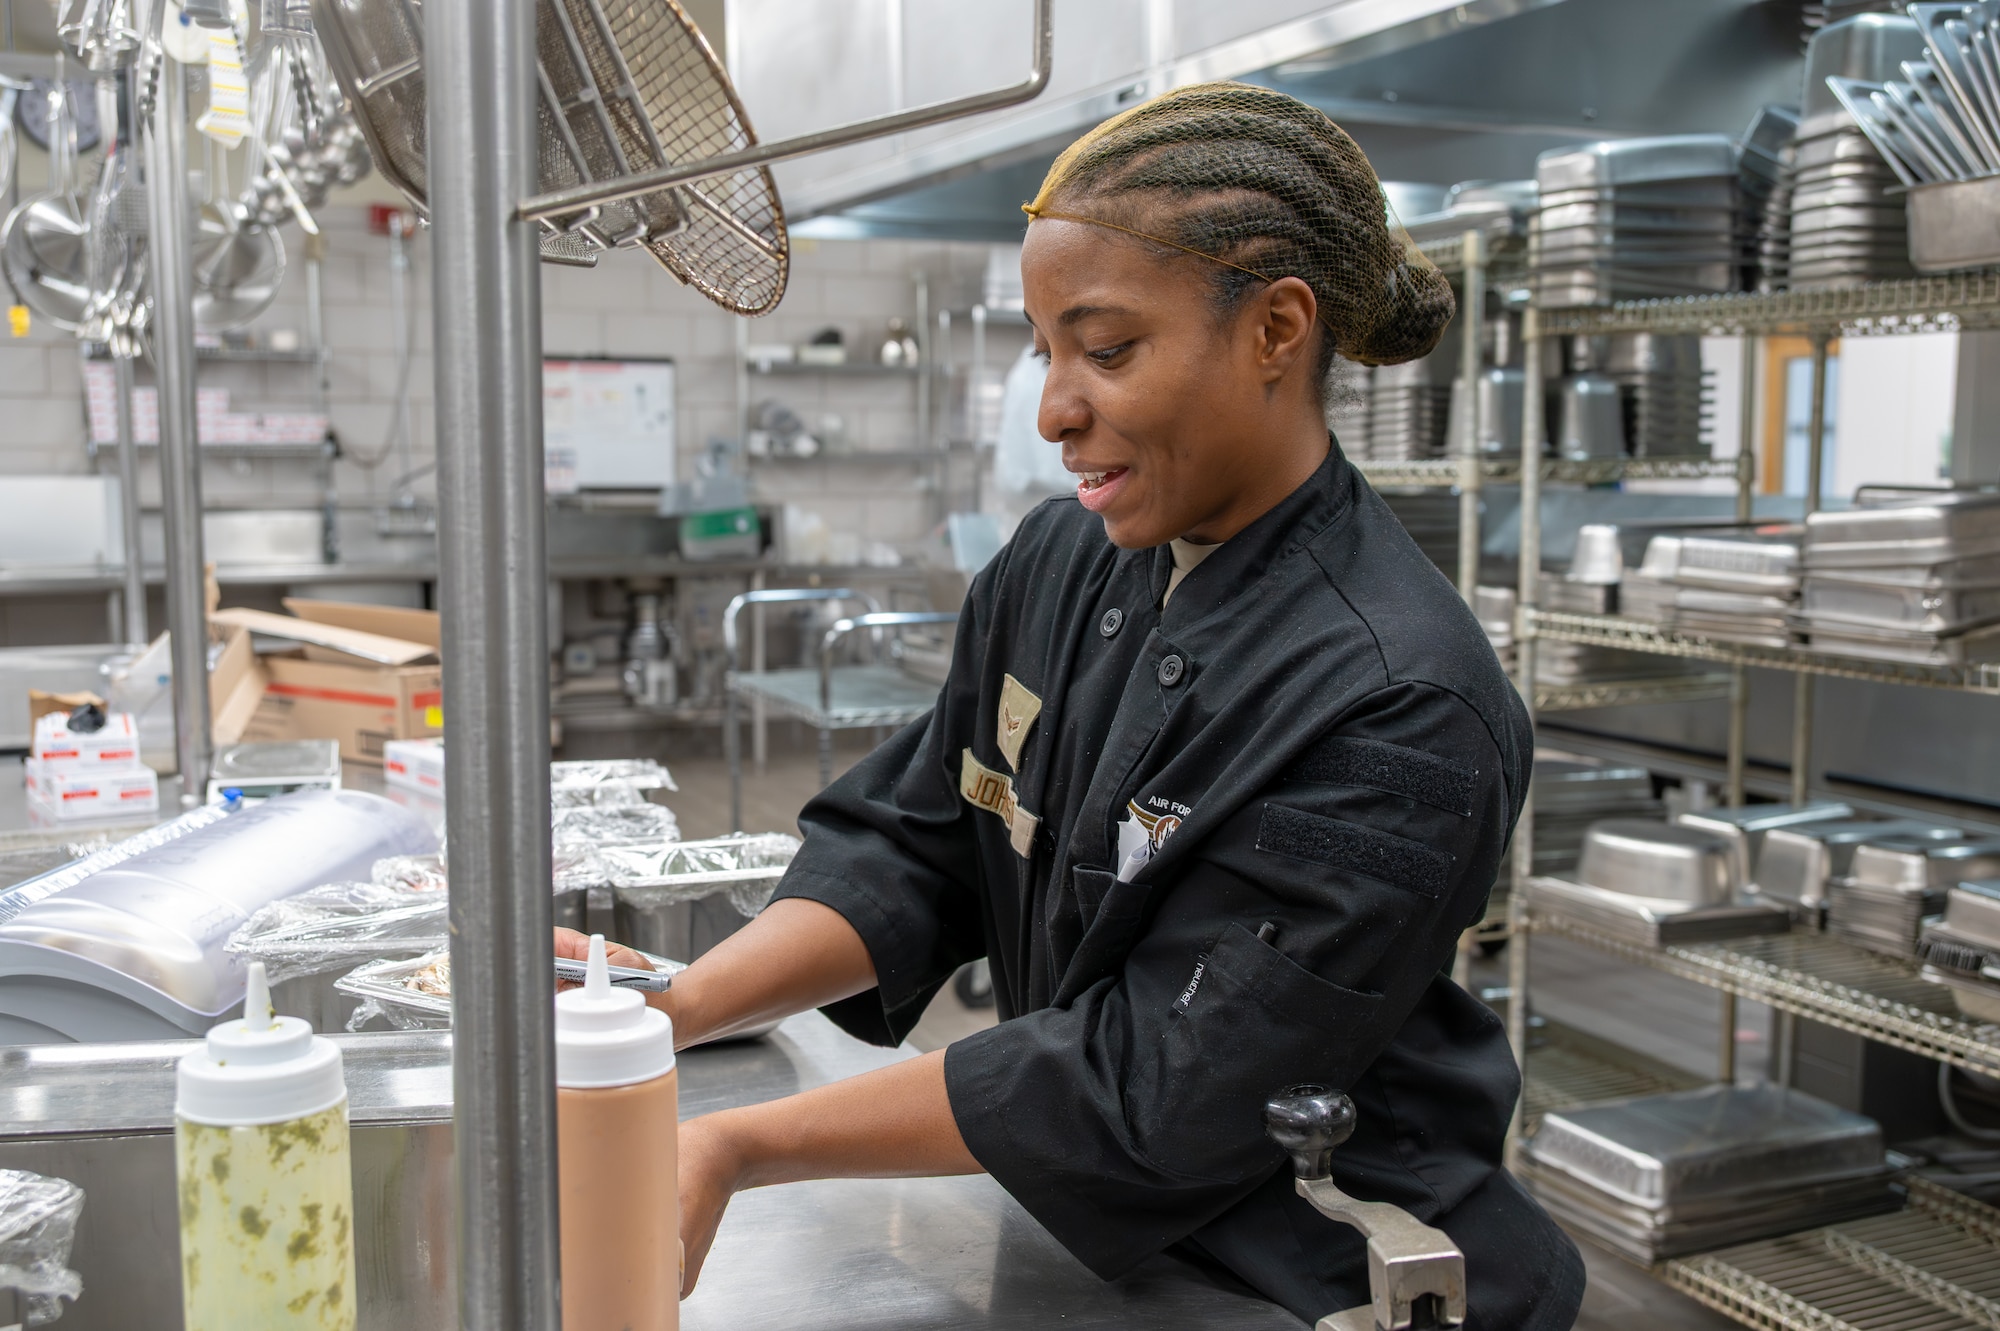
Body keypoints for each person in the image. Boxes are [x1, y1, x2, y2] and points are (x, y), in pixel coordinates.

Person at [557, 81, 1585, 1329]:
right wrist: (680, 1004)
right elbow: (925, 838)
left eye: (1104, 351)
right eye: (1044, 350)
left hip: (1318, 1271)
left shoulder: (1399, 701)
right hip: (1086, 1245)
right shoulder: (1061, 561)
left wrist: (733, 1143)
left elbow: (1151, 1080)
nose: (1053, 410)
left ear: (1275, 328)